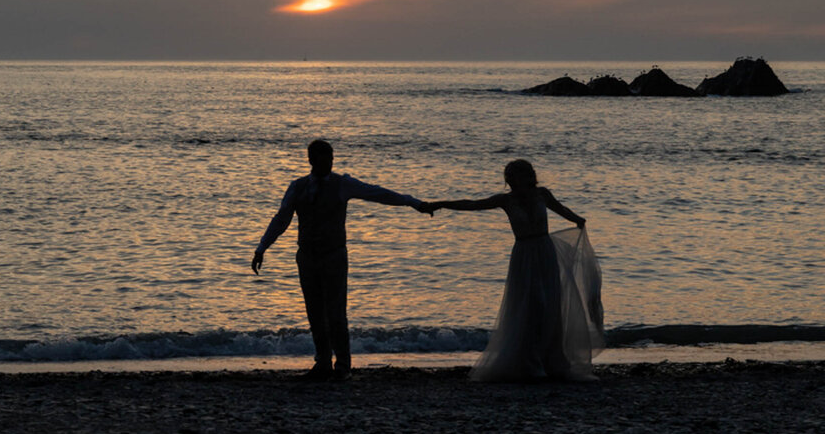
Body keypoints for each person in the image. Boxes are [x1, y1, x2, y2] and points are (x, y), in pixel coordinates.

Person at [252, 139, 430, 381]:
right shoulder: (297, 187)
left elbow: (378, 193)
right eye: (325, 158)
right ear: (311, 160)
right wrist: (262, 247)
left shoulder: (342, 184)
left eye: (332, 158)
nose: (330, 162)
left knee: (336, 312)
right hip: (306, 256)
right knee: (314, 311)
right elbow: (281, 219)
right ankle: (323, 362)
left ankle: (343, 365)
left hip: (334, 255)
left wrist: (413, 203)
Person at [425, 158, 604, 382]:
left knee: (549, 305)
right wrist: (440, 204)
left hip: (545, 252)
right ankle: (529, 362)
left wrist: (577, 219)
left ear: (528, 176)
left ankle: (551, 361)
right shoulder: (506, 200)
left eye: (514, 176)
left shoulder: (542, 195)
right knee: (530, 305)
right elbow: (472, 204)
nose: (510, 181)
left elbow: (561, 209)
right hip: (524, 254)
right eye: (508, 177)